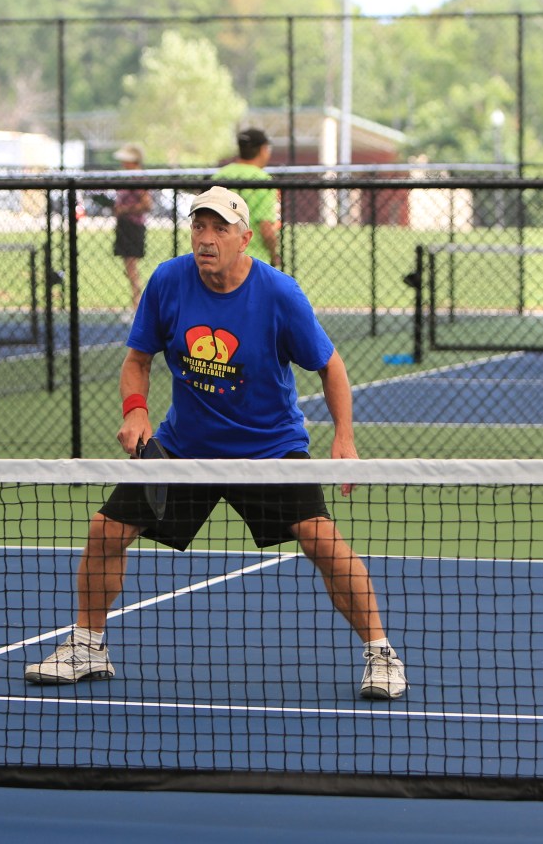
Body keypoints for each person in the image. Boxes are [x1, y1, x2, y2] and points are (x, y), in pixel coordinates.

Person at [25, 185, 407, 700]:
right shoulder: (168, 281)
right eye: (199, 226)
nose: (206, 238)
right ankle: (87, 647)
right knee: (106, 531)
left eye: (219, 229)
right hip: (186, 449)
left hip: (269, 449)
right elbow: (138, 360)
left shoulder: (279, 294)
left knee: (321, 541)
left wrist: (344, 438)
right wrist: (135, 410)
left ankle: (381, 655)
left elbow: (330, 366)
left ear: (244, 239)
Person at [213, 128, 282, 268]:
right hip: (254, 259)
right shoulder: (264, 180)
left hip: (220, 253)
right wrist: (274, 255)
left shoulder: (220, 176)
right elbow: (266, 228)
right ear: (263, 149)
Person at [111, 144, 154, 310]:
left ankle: (137, 305)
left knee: (131, 267)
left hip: (133, 225)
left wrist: (124, 209)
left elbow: (146, 204)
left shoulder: (137, 177)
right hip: (125, 225)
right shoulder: (128, 176)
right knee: (129, 267)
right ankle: (136, 303)